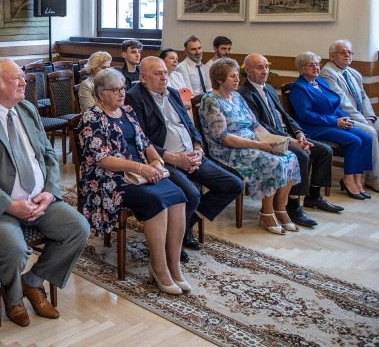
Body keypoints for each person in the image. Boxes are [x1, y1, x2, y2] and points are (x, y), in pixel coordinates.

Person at [0, 58, 89, 327]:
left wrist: (49, 192)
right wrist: (9, 205)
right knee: (14, 247)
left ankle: (32, 281)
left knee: (78, 228)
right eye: (17, 78)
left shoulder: (26, 109)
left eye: (22, 76)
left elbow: (48, 154)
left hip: (39, 200)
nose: (24, 81)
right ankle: (13, 299)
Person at [79, 68, 191, 294]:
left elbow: (145, 142)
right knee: (156, 201)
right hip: (109, 180)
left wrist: (157, 162)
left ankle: (174, 265)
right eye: (115, 90)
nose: (122, 93)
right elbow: (102, 159)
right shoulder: (92, 117)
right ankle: (158, 268)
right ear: (101, 94)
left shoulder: (128, 111)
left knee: (178, 196)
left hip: (141, 172)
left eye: (122, 88)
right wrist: (141, 167)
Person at [126, 57, 242, 255]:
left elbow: (189, 125)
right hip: (165, 160)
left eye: (165, 72)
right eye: (158, 73)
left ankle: (183, 227)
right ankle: (175, 241)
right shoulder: (134, 97)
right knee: (191, 194)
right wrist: (173, 158)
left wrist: (197, 148)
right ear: (143, 77)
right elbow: (140, 140)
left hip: (191, 155)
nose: (164, 77)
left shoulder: (172, 93)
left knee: (233, 185)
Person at [199, 58, 301, 235]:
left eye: (237, 75)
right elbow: (224, 138)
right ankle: (266, 212)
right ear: (220, 79)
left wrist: (271, 140)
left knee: (289, 156)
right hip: (227, 150)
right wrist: (260, 145)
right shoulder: (211, 100)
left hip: (253, 142)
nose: (237, 79)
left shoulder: (237, 96)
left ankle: (280, 209)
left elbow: (254, 125)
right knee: (271, 161)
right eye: (232, 76)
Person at [238, 54, 343, 222]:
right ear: (247, 70)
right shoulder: (244, 94)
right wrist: (290, 140)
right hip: (271, 138)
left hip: (288, 133)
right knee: (302, 155)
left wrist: (299, 133)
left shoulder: (269, 88)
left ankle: (314, 197)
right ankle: (293, 206)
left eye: (266, 67)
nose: (265, 71)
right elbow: (260, 126)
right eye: (260, 67)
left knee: (324, 150)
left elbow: (285, 115)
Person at [288, 51, 375, 200]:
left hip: (334, 122)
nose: (316, 67)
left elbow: (335, 105)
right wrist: (335, 122)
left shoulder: (320, 82)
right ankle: (349, 180)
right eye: (311, 65)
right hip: (314, 128)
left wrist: (344, 118)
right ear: (301, 69)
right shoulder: (299, 88)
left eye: (317, 64)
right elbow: (305, 115)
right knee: (354, 141)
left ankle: (357, 179)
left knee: (366, 138)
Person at [319, 39, 379, 192]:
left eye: (349, 52)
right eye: (343, 52)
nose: (347, 55)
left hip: (363, 117)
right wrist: (364, 122)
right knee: (370, 132)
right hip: (346, 119)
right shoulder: (327, 73)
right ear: (332, 56)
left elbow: (364, 98)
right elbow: (342, 104)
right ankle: (373, 177)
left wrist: (369, 118)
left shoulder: (353, 72)